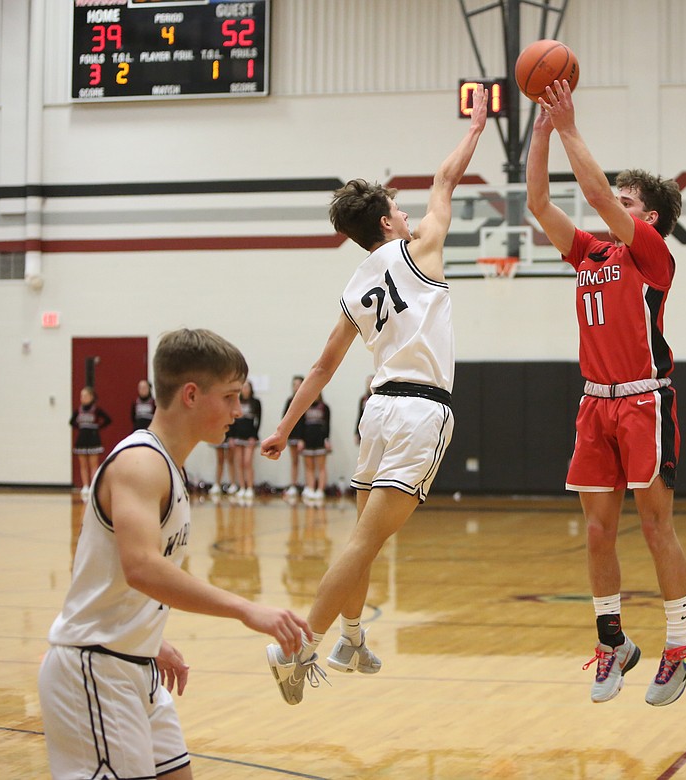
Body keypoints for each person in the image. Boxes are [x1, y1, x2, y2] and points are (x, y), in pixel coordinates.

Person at [259, 85, 489, 705]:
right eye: (399, 207)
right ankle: (295, 646)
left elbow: (322, 366)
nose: (411, 211)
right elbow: (446, 177)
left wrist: (283, 425)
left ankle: (352, 637)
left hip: (377, 410)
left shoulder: (357, 285)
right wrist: (476, 127)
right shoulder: (422, 250)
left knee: (364, 535)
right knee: (366, 541)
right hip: (420, 411)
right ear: (388, 222)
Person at [38, 328, 309, 780]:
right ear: (190, 395)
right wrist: (246, 609)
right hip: (96, 671)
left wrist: (145, 636)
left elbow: (105, 571)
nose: (238, 411)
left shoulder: (168, 463)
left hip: (133, 662)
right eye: (229, 397)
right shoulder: (141, 464)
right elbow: (142, 567)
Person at [526, 79, 686, 706]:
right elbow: (540, 203)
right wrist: (542, 135)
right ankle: (613, 643)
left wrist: (571, 124)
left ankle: (678, 641)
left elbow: (595, 193)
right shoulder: (590, 253)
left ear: (646, 216)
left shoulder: (651, 254)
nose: (609, 205)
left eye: (626, 200)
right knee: (599, 532)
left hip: (645, 400)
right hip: (595, 402)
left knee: (655, 526)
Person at [70, 386, 112, 501]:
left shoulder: (96, 409)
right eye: (81, 396)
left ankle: (93, 485)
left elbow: (108, 419)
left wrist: (97, 427)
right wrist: (80, 427)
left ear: (91, 397)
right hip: (82, 438)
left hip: (93, 438)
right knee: (83, 464)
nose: (82, 398)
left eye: (85, 395)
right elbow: (71, 421)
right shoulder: (78, 409)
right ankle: (85, 486)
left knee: (93, 464)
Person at [227, 380, 261, 502]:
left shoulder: (256, 402)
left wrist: (254, 436)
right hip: (237, 436)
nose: (245, 389)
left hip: (250, 436)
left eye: (247, 387)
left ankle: (250, 487)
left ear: (251, 389)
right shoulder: (236, 402)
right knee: (239, 462)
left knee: (247, 462)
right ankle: (241, 487)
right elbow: (232, 419)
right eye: (243, 387)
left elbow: (258, 421)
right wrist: (230, 436)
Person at [300, 393, 331, 503]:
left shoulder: (325, 407)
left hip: (320, 439)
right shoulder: (304, 406)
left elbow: (328, 425)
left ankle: (320, 490)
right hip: (307, 439)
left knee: (321, 466)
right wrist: (301, 439)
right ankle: (311, 488)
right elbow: (301, 424)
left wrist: (327, 439)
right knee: (309, 467)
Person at [282, 375, 307, 499]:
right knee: (294, 461)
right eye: (294, 385)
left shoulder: (307, 399)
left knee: (307, 463)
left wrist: (303, 438)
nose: (296, 387)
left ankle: (308, 486)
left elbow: (306, 422)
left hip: (303, 437)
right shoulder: (289, 401)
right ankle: (293, 485)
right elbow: (284, 418)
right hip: (292, 435)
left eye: (299, 384)